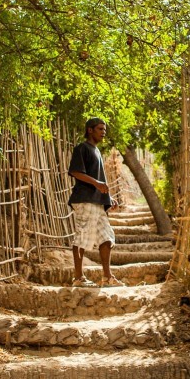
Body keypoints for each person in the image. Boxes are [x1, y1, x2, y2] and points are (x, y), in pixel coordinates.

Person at [67, 118, 124, 288]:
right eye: (100, 129)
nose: (103, 132)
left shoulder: (97, 151)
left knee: (106, 238)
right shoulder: (82, 148)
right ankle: (78, 278)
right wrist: (96, 184)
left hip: (98, 202)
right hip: (84, 200)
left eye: (104, 129)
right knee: (82, 237)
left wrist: (108, 197)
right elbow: (75, 172)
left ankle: (107, 277)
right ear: (90, 130)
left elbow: (100, 180)